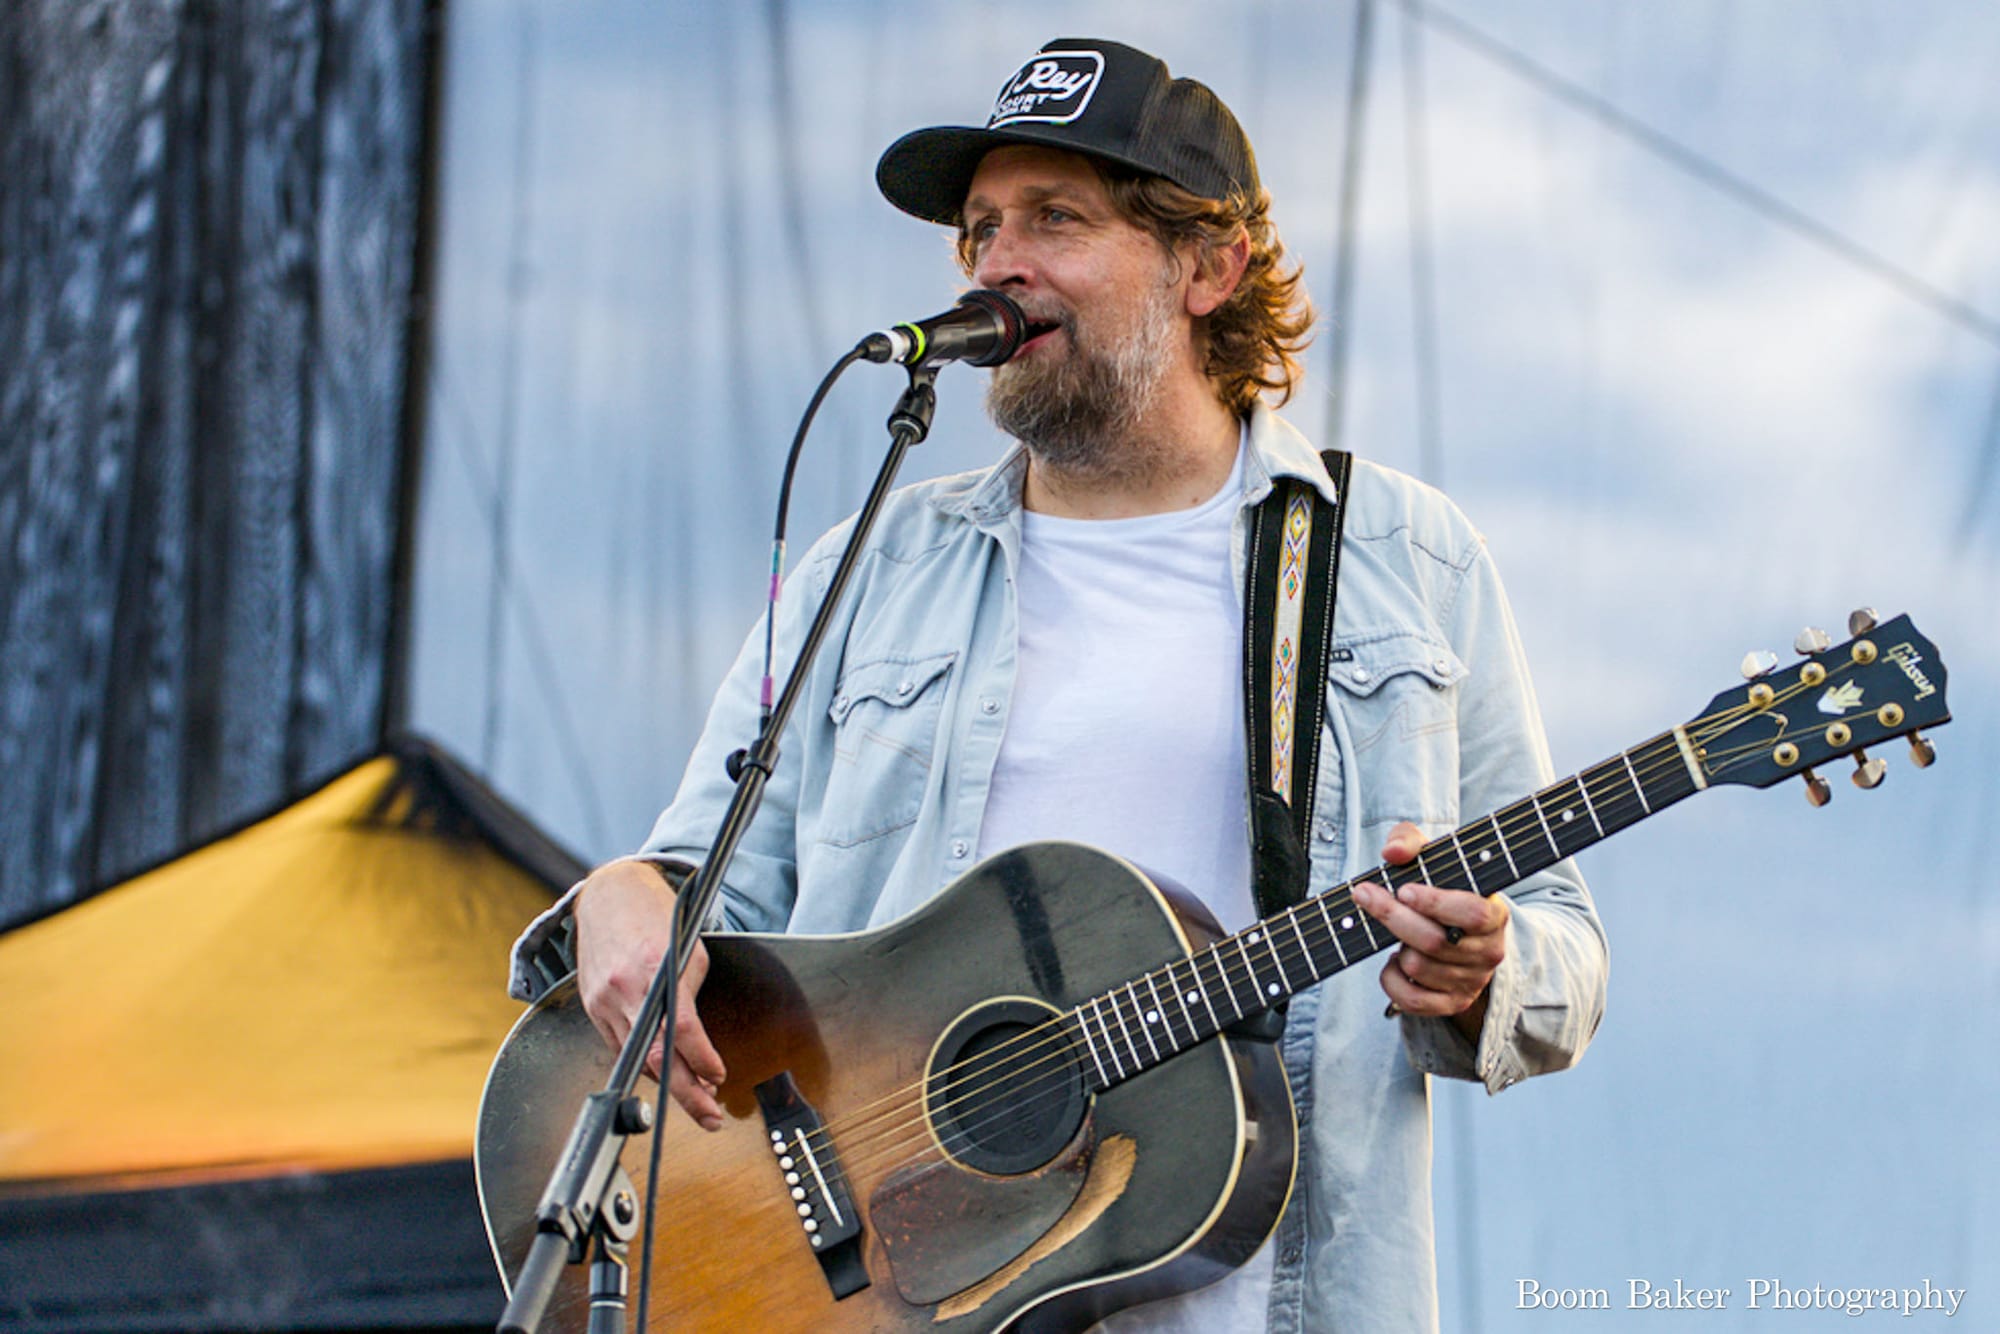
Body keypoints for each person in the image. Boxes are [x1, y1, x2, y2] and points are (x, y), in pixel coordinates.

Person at [510, 36, 1607, 1333]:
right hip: (888, 1288)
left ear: (1209, 266)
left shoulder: (1403, 560)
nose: (997, 263)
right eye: (981, 228)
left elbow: (1560, 945)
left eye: (1054, 219)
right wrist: (624, 898)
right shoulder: (872, 571)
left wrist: (1486, 971)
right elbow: (701, 886)